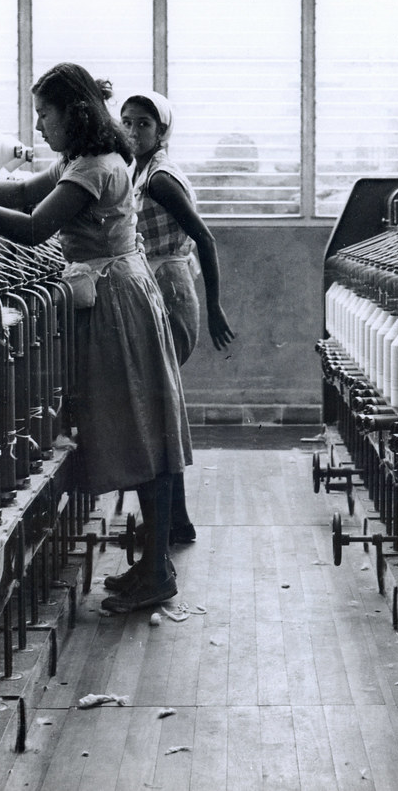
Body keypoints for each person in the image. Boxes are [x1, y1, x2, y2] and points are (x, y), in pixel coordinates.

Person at [0, 63, 190, 614]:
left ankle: (158, 570)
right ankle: (154, 565)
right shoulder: (80, 161)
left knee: (141, 428)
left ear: (74, 113)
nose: (40, 126)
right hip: (117, 293)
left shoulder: (97, 167)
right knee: (142, 427)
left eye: (44, 114)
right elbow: (24, 192)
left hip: (118, 302)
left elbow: (32, 228)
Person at [118, 91, 236, 547]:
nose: (133, 131)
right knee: (160, 411)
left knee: (156, 414)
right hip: (163, 283)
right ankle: (174, 522)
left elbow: (204, 238)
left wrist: (215, 306)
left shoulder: (161, 178)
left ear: (161, 129)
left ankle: (167, 525)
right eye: (126, 123)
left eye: (143, 124)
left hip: (170, 289)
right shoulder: (141, 171)